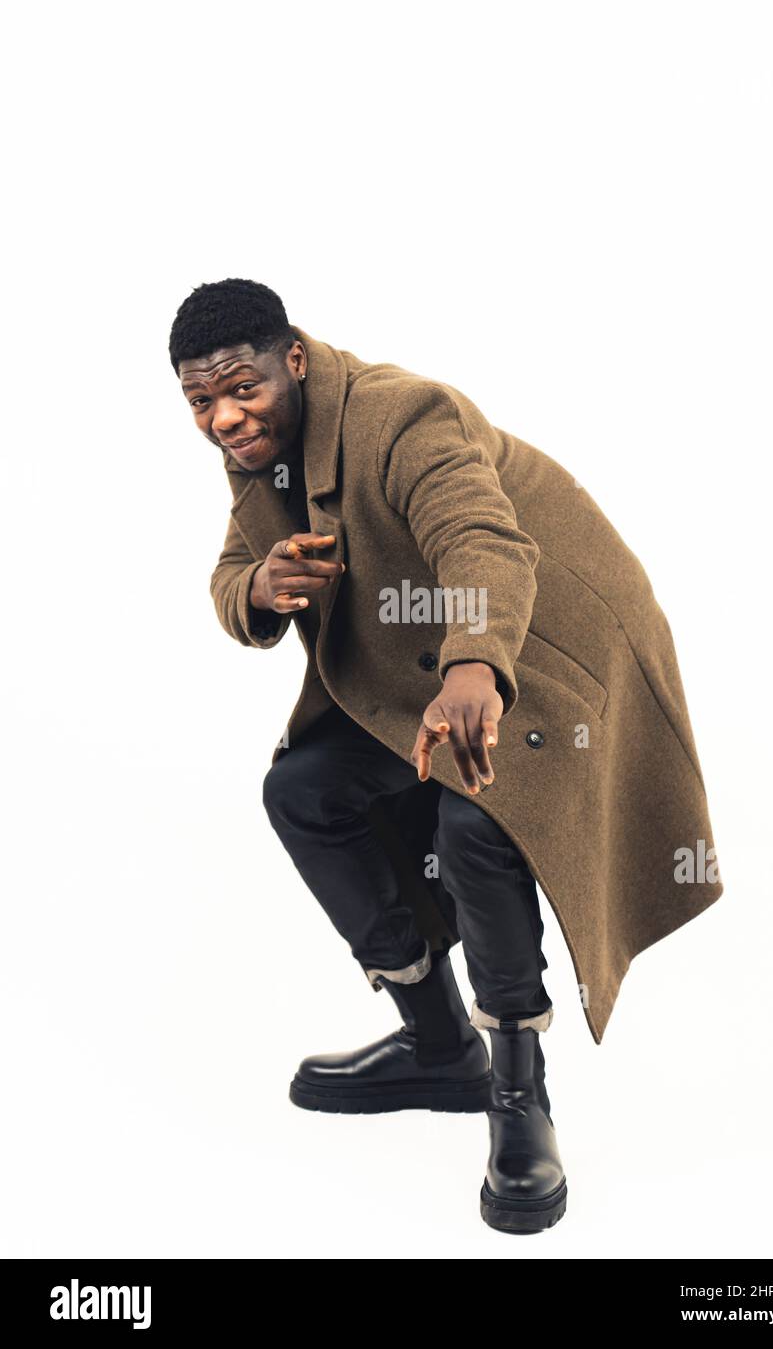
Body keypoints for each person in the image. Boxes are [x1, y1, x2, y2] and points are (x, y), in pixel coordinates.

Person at [169, 278, 722, 1236]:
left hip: (544, 652)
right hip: (417, 667)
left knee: (481, 820)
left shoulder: (400, 413)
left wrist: (473, 666)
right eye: (199, 401)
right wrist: (260, 584)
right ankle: (439, 1047)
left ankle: (518, 1090)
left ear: (293, 357)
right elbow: (229, 575)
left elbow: (482, 539)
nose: (224, 417)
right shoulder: (262, 450)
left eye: (241, 388)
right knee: (304, 790)